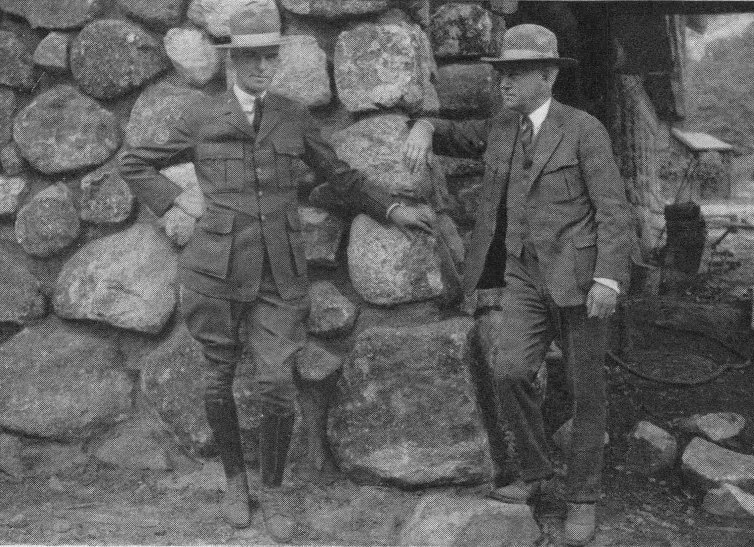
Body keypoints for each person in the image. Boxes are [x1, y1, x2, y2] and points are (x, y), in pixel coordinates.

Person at [119, 3, 432, 529]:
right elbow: (134, 162)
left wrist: (392, 208)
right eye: (253, 58)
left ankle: (274, 490)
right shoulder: (202, 116)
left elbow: (340, 175)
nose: (264, 66)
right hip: (215, 270)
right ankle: (235, 483)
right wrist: (176, 200)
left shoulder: (293, 116)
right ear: (233, 61)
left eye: (271, 56)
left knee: (276, 385)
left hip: (279, 273)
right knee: (218, 378)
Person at [403, 24, 633, 546]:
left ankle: (582, 498)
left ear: (548, 76)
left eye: (517, 72)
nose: (504, 81)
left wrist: (608, 278)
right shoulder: (503, 127)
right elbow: (456, 136)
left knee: (585, 390)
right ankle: (536, 473)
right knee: (509, 371)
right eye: (502, 72)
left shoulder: (584, 130)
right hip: (524, 276)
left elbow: (613, 210)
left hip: (580, 279)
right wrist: (424, 125)